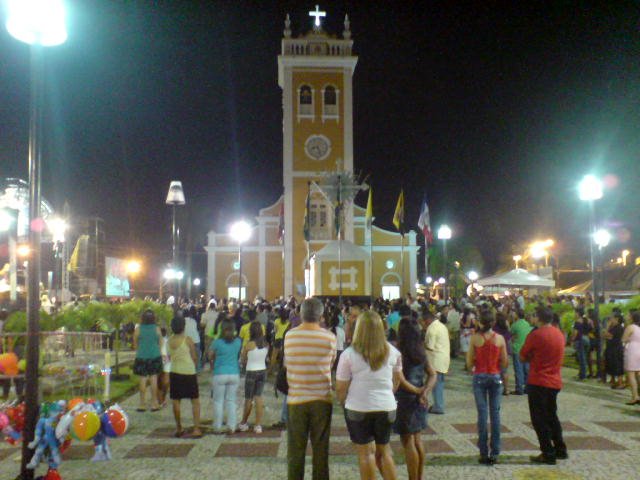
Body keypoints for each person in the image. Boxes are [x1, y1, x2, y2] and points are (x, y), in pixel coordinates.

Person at [336, 311, 400, 480]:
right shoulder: (393, 352)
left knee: (365, 454)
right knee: (385, 453)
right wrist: (386, 394)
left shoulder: (348, 354)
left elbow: (341, 387)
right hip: (386, 407)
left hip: (358, 406)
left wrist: (343, 402)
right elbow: (397, 380)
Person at [284, 297, 336, 480]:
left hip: (296, 399)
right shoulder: (329, 337)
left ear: (300, 314)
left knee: (295, 450)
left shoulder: (290, 336)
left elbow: (287, 363)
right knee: (321, 449)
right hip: (322, 399)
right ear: (321, 316)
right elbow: (331, 364)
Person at [520, 306, 567, 465]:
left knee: (539, 419)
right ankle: (560, 448)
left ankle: (547, 452)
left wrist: (532, 357)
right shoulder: (559, 334)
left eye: (534, 316)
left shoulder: (536, 335)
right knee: (552, 416)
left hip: (538, 380)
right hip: (554, 381)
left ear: (539, 318)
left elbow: (523, 355)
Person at [393, 317, 436, 480]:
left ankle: (413, 477)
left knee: (408, 442)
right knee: (417, 439)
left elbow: (401, 380)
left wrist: (419, 391)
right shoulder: (421, 352)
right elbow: (433, 374)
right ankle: (419, 476)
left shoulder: (398, 353)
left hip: (405, 400)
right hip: (419, 400)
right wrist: (425, 390)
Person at [467, 310, 508, 465]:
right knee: (495, 415)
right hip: (495, 377)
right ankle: (495, 452)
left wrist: (474, 365)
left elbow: (469, 362)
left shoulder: (475, 339)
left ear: (481, 322)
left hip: (479, 377)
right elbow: (504, 362)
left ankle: (483, 452)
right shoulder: (500, 339)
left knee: (482, 415)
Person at [168, 315, 202, 438]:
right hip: (188, 372)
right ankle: (196, 428)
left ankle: (179, 427)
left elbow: (168, 356)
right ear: (183, 326)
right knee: (195, 401)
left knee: (176, 401)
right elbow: (194, 357)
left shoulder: (170, 340)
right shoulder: (187, 340)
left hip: (174, 371)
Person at [210, 319, 242, 433]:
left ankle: (217, 426)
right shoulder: (238, 342)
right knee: (231, 401)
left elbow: (210, 356)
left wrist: (213, 365)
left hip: (219, 373)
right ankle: (232, 426)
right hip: (234, 373)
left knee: (218, 401)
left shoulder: (217, 342)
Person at [238, 322, 268, 433]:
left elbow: (242, 359)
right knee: (258, 397)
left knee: (249, 398)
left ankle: (244, 422)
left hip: (251, 371)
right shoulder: (265, 344)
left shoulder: (249, 344)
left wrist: (244, 360)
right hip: (262, 371)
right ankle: (258, 425)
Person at [132, 309, 163, 412]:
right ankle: (154, 403)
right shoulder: (157, 329)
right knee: (154, 380)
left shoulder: (138, 329)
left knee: (143, 380)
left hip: (142, 356)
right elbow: (161, 343)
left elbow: (135, 343)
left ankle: (142, 404)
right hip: (154, 356)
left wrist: (140, 351)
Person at [425, 309, 450, 414]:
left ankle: (438, 406)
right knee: (438, 383)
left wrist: (421, 345)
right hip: (443, 358)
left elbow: (430, 347)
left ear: (426, 320)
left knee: (437, 384)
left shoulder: (431, 329)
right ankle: (437, 404)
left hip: (436, 360)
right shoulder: (441, 325)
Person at [510, 311, 533, 395]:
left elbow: (511, 333)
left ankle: (519, 388)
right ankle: (527, 388)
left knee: (518, 369)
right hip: (527, 349)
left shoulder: (515, 325)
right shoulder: (528, 324)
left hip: (518, 349)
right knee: (526, 369)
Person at [622, 311, 640, 405]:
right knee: (638, 373)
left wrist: (629, 339)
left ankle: (635, 396)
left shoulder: (630, 327)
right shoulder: (638, 328)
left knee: (631, 374)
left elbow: (623, 339)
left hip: (632, 350)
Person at [603, 313, 625, 390]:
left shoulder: (619, 328)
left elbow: (607, 334)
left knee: (617, 365)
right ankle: (614, 380)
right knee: (611, 364)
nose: (610, 320)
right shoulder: (614, 327)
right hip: (611, 348)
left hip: (616, 349)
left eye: (612, 318)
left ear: (616, 319)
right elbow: (605, 335)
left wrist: (607, 326)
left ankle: (620, 383)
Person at [493, 312, 512, 395]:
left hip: (496, 352)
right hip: (505, 352)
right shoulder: (506, 330)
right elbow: (509, 339)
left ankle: (498, 388)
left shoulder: (494, 329)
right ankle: (506, 389)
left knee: (497, 371)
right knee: (504, 371)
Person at [571, 310, 591, 380]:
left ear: (578, 313)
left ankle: (583, 375)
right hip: (587, 339)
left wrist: (572, 339)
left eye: (575, 313)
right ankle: (581, 373)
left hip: (580, 340)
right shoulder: (587, 321)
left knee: (581, 358)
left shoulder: (577, 322)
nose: (574, 314)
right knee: (584, 357)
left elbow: (575, 332)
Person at [183, 307, 202, 372]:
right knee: (197, 356)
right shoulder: (193, 321)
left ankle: (189, 370)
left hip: (187, 341)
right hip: (196, 339)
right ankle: (198, 369)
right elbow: (197, 329)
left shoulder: (182, 321)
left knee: (188, 356)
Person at [157, 327, 171, 408]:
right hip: (157, 361)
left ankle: (163, 397)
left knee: (166, 382)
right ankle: (159, 400)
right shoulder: (156, 341)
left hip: (167, 363)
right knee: (158, 381)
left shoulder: (168, 341)